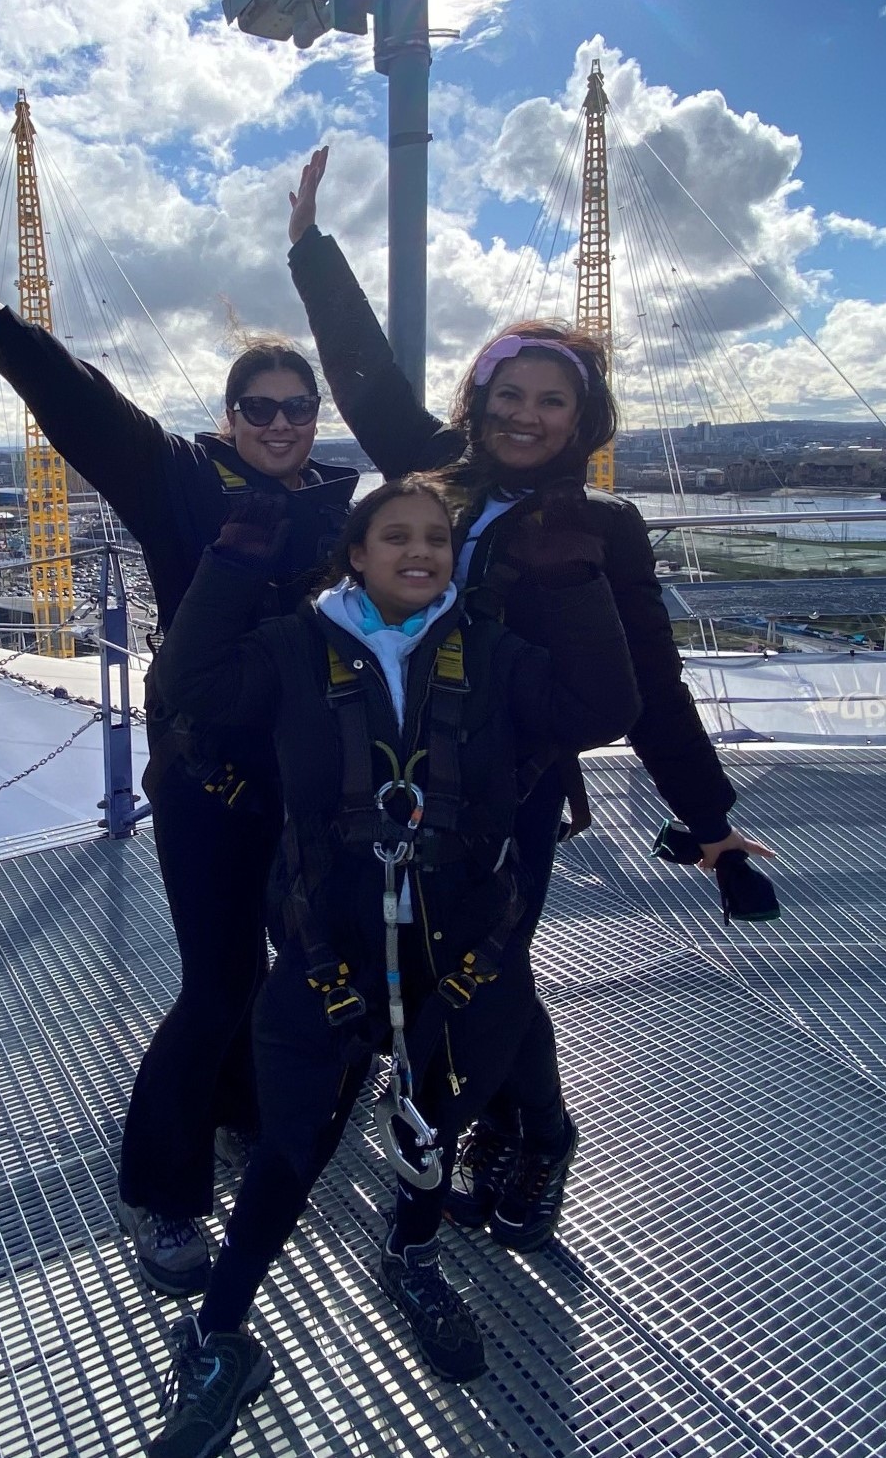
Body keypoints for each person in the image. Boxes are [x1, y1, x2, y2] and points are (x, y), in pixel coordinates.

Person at [284, 146, 775, 1251]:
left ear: (582, 417)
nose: (526, 416)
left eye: (551, 402)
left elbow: (651, 685)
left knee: (490, 975)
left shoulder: (601, 530)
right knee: (436, 966)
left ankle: (541, 1136)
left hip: (508, 797)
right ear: (482, 399)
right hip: (399, 777)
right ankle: (489, 1121)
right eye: (510, 396)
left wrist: (711, 825)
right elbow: (361, 375)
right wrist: (310, 248)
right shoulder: (436, 473)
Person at [143, 474, 640, 1456]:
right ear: (356, 556)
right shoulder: (292, 649)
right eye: (394, 535)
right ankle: (220, 1332)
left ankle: (412, 1255)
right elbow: (186, 689)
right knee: (289, 1146)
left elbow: (602, 705)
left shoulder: (494, 655)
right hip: (327, 959)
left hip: (465, 956)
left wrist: (580, 582)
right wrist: (232, 567)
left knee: (437, 1121)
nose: (419, 550)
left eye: (437, 539)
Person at [0, 255, 358, 1295]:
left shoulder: (343, 509)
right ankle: (168, 1191)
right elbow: (81, 405)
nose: (280, 425)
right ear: (230, 417)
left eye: (296, 409)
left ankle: (247, 1109)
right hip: (212, 776)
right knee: (218, 981)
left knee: (300, 960)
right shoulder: (185, 484)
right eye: (259, 409)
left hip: (312, 775)